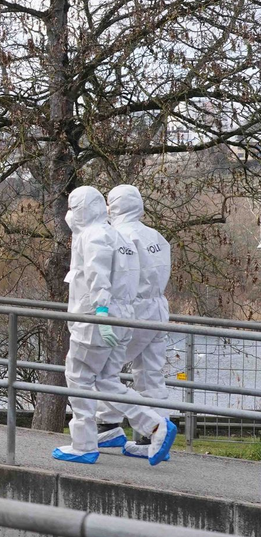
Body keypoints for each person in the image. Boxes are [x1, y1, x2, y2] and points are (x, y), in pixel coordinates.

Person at [52, 186, 177, 466]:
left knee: (81, 378)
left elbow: (98, 278)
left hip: (100, 318)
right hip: (138, 312)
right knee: (122, 378)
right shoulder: (134, 236)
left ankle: (86, 442)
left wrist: (101, 312)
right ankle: (155, 426)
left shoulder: (100, 235)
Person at [93, 185, 173, 460]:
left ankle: (110, 426)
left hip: (131, 310)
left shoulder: (116, 235)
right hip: (158, 310)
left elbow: (116, 278)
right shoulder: (157, 236)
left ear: (113, 206)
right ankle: (154, 437)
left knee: (104, 370)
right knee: (151, 374)